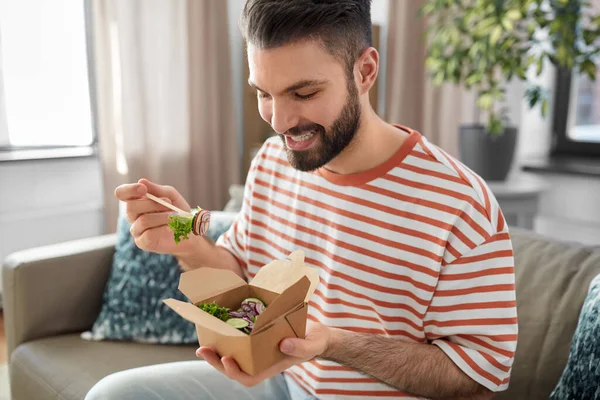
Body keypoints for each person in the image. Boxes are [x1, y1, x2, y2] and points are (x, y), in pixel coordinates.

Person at [86, 0, 517, 399]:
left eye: (304, 93)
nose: (280, 121)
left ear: (365, 71)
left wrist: (332, 343)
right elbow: (242, 290)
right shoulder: (274, 160)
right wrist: (188, 244)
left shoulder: (460, 206)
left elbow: (478, 381)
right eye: (264, 93)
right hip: (281, 382)